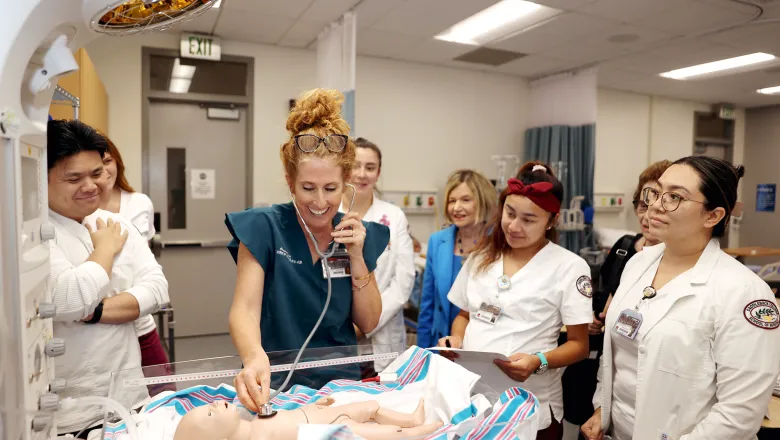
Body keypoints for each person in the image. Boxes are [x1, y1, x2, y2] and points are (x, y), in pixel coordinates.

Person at [581, 156, 780, 440]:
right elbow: (617, 357)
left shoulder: (745, 292)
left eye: (675, 197)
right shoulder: (639, 264)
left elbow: (740, 413)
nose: (656, 204)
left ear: (713, 216)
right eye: (656, 192)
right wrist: (603, 408)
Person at [226, 89, 390, 412]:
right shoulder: (263, 228)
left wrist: (357, 257)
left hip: (340, 387)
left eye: (330, 188)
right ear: (290, 182)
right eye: (307, 188)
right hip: (275, 382)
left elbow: (369, 322)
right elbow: (244, 310)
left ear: (345, 182)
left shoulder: (357, 236)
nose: (319, 201)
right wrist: (253, 356)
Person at [438, 162, 592, 440]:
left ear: (552, 221)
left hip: (529, 405)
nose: (514, 226)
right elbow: (464, 315)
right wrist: (456, 340)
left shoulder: (569, 267)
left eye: (529, 220)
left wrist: (538, 361)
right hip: (474, 399)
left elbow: (579, 346)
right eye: (509, 214)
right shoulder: (481, 257)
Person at [46, 119, 169, 437]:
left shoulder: (115, 223)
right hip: (71, 413)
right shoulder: (34, 233)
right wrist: (104, 250)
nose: (90, 186)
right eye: (74, 178)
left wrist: (96, 311)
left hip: (129, 398)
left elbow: (157, 289)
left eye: (96, 173)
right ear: (40, 178)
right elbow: (70, 298)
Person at [561, 160, 672, 433]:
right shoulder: (624, 250)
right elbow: (604, 294)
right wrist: (593, 317)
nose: (648, 214)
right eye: (643, 205)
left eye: (658, 205)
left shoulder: (675, 264)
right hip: (608, 362)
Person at [341, 137, 415, 373]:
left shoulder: (394, 217)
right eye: (355, 166)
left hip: (384, 339)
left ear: (378, 173)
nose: (362, 174)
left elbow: (403, 282)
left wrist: (367, 322)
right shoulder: (328, 215)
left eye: (370, 167)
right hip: (339, 335)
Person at [99, 136, 171, 371]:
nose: (103, 171)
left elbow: (144, 264)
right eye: (96, 167)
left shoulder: (139, 203)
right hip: (98, 326)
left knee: (162, 386)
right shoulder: (80, 210)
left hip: (138, 319)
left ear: (117, 162)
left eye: (107, 161)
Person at [416, 169, 497, 348]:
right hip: (442, 342)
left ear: (483, 201)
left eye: (465, 200)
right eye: (452, 201)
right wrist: (422, 351)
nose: (456, 207)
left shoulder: (497, 244)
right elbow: (427, 304)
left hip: (482, 344)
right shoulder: (438, 242)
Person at [173, 398, 442, 440]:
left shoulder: (255, 420)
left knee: (372, 407)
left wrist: (314, 405)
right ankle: (415, 432)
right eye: (210, 413)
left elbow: (289, 415)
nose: (215, 403)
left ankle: (411, 419)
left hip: (322, 413)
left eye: (209, 405)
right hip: (331, 430)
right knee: (379, 433)